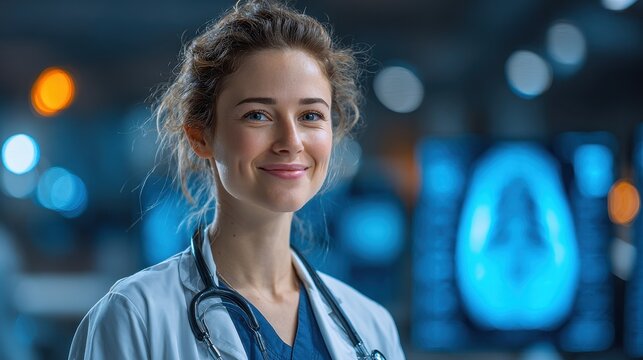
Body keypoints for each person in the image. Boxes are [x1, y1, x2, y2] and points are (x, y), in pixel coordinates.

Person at [69, 0, 405, 359]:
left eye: (310, 115)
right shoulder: (135, 317)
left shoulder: (371, 326)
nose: (291, 141)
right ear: (200, 135)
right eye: (258, 115)